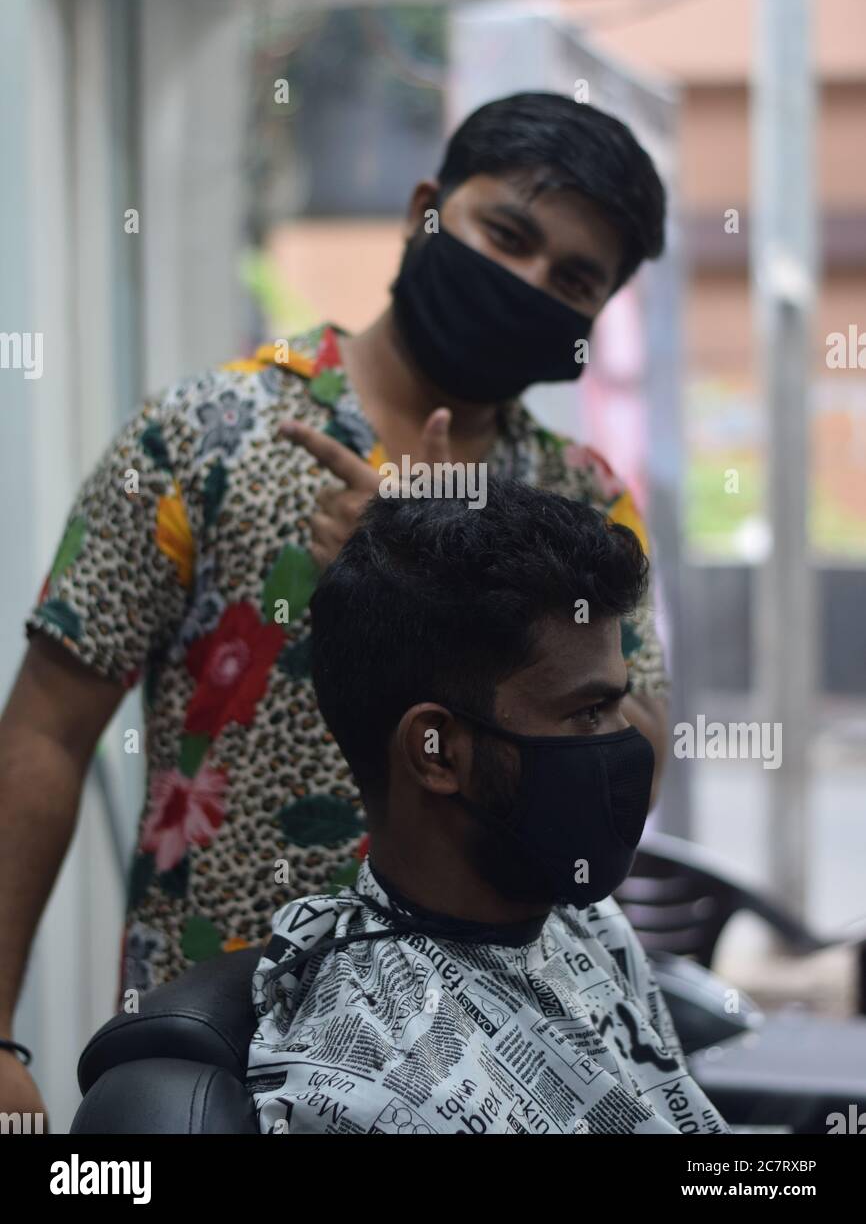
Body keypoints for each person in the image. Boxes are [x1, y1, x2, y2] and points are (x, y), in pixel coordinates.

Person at [0, 91, 669, 1119]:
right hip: (218, 1053)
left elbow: (634, 749)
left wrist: (422, 544)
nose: (526, 281)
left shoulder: (581, 499)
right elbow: (45, 730)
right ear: (423, 208)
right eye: (506, 234)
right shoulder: (205, 437)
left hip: (488, 1059)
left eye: (571, 278)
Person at [248, 482, 727, 1136]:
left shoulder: (588, 925)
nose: (627, 742)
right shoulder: (370, 1093)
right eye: (588, 712)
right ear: (437, 751)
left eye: (619, 704)